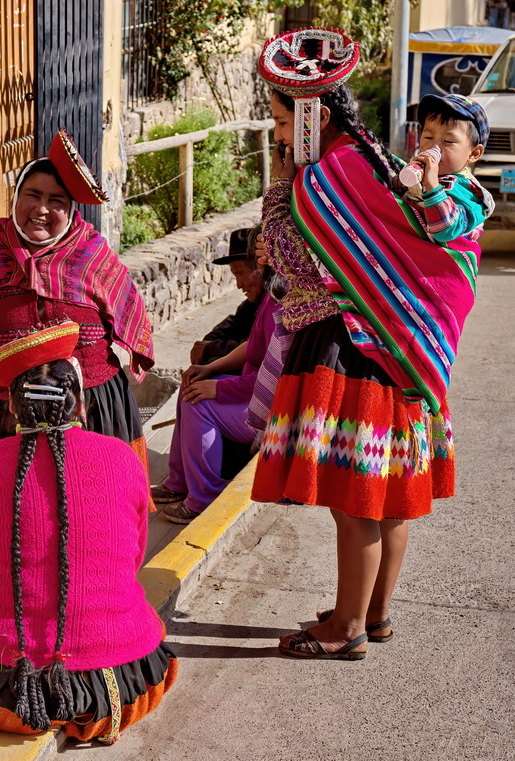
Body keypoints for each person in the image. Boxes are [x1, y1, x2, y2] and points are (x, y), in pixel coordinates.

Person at [253, 28, 482, 660]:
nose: (279, 134)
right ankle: (373, 614)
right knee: (385, 494)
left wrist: (282, 187)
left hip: (355, 345)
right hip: (401, 347)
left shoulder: (328, 176)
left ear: (313, 117)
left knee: (354, 495)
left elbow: (287, 261)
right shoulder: (373, 161)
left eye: (282, 121)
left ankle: (345, 629)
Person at [0, 323, 176, 757]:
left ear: (12, 408)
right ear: (82, 404)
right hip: (113, 689)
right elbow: (132, 559)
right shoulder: (123, 459)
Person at [0, 129, 155, 518]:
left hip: (90, 405)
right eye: (33, 195)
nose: (42, 209)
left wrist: (110, 356)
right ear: (16, 198)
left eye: (56, 201)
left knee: (92, 509)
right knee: (4, 512)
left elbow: (130, 309)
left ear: (71, 209)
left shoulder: (92, 253)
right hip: (1, 406)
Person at [151, 227, 281, 523]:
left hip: (272, 413)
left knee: (201, 404)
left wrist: (219, 389)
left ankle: (204, 498)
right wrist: (210, 369)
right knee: (192, 388)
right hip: (257, 398)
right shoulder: (267, 300)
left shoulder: (280, 303)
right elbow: (251, 345)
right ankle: (178, 484)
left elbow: (271, 378)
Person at [393, 93, 494, 243]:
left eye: (448, 141)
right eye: (428, 137)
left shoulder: (469, 193)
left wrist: (432, 185)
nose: (434, 147)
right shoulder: (418, 169)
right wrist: (401, 184)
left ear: (473, 153)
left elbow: (446, 231)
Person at [189, 227, 263, 365]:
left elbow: (256, 347)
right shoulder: (253, 303)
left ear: (260, 268)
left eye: (240, 273)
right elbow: (234, 322)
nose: (238, 285)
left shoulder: (276, 303)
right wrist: (206, 344)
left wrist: (210, 348)